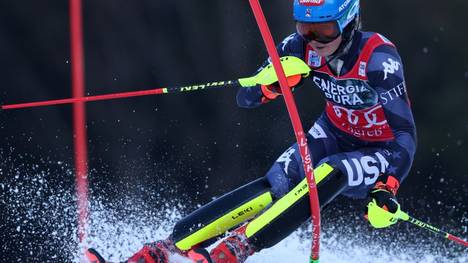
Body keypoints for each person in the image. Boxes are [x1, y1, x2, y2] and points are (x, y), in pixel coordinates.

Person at [86, 0, 417, 262]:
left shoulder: (378, 59)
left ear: (348, 22)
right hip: (331, 133)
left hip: (378, 151)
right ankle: (164, 251)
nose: (314, 41)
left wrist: (387, 187)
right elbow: (244, 97)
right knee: (276, 184)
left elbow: (405, 133)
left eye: (324, 30)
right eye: (306, 29)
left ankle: (234, 252)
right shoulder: (296, 47)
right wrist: (272, 86)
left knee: (332, 171)